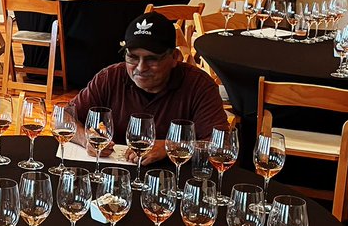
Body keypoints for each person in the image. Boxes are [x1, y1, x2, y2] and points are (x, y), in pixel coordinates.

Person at [69, 11, 229, 164]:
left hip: (175, 181)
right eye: (132, 57)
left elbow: (222, 146)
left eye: (152, 59)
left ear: (175, 57)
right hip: (116, 176)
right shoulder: (110, 77)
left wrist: (169, 147)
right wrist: (85, 139)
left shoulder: (199, 86)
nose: (140, 67)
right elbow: (63, 118)